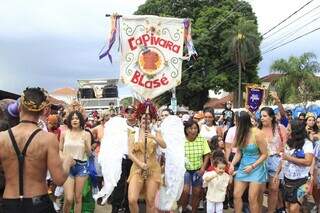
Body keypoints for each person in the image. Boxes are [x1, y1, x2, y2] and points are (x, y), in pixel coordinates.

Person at [0, 87, 74, 213]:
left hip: (9, 203)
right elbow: (59, 179)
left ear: (19, 108)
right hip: (38, 202)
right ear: (43, 111)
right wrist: (67, 161)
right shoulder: (48, 139)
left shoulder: (2, 137)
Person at [127, 101, 166, 213]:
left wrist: (152, 136)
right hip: (137, 169)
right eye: (144, 118)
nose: (146, 120)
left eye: (149, 118)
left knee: (150, 200)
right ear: (139, 119)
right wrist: (140, 164)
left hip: (153, 169)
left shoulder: (156, 131)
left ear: (152, 119)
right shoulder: (133, 132)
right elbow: (130, 153)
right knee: (132, 199)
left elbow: (164, 145)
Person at [230, 111, 268, 213]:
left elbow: (265, 154)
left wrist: (252, 166)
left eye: (236, 121)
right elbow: (239, 153)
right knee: (236, 195)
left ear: (242, 122)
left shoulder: (258, 133)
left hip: (256, 167)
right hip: (243, 166)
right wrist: (232, 164)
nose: (234, 123)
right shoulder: (240, 133)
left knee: (252, 199)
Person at [274, 120, 314, 213]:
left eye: (288, 129)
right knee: (288, 207)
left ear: (295, 131)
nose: (286, 131)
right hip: (287, 179)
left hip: (301, 181)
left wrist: (289, 158)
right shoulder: (288, 142)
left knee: (293, 209)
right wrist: (277, 173)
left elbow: (308, 161)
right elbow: (283, 159)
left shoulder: (307, 143)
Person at [59, 110, 92, 213]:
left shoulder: (86, 134)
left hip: (81, 167)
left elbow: (89, 154)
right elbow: (59, 150)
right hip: (67, 166)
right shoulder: (64, 133)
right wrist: (65, 159)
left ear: (80, 120)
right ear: (69, 120)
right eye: (72, 118)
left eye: (77, 118)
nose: (74, 120)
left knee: (78, 198)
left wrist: (86, 143)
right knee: (68, 198)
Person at [258, 107, 287, 213]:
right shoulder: (258, 129)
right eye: (261, 116)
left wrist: (282, 163)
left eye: (264, 116)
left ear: (271, 117)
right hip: (261, 161)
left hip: (276, 160)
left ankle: (271, 211)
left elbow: (285, 147)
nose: (262, 118)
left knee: (274, 189)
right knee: (259, 190)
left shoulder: (280, 128)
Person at [178, 119, 211, 213]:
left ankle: (194, 211)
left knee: (197, 192)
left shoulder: (201, 139)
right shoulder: (181, 140)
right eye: (190, 128)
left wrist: (203, 168)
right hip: (185, 170)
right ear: (186, 129)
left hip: (198, 170)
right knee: (185, 191)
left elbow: (207, 154)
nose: (193, 130)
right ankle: (183, 209)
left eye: (195, 128)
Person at [110, 106, 137, 213]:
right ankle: (115, 206)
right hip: (121, 158)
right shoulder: (119, 126)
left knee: (131, 183)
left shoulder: (140, 127)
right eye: (127, 112)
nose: (129, 114)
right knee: (119, 183)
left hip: (134, 159)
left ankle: (127, 206)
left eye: (132, 112)